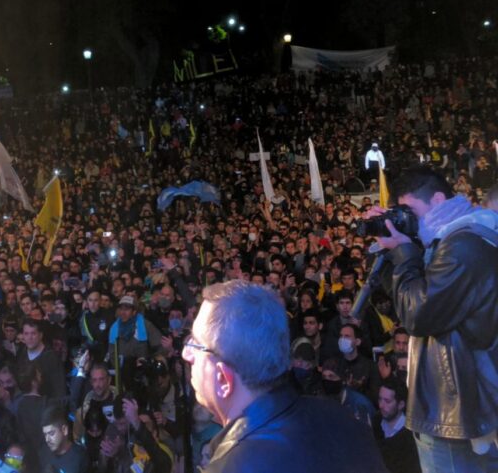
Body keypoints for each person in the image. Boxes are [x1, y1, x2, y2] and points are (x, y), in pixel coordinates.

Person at [370, 166, 498, 472]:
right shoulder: (443, 242)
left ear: (438, 199)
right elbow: (405, 302)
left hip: (452, 407)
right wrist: (391, 250)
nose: (409, 220)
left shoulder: (462, 245)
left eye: (410, 211)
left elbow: (417, 315)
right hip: (449, 401)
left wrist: (404, 252)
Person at [182, 280, 386, 472]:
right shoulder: (342, 417)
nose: (186, 353)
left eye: (196, 344)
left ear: (223, 379)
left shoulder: (232, 467)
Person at [375, 378, 422, 473]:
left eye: (387, 401)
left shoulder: (410, 436)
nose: (381, 405)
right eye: (380, 399)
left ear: (401, 404)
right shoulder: (374, 422)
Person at [39, 406, 86, 473]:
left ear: (64, 430)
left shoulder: (80, 456)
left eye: (51, 433)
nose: (47, 439)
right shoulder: (44, 455)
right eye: (45, 435)